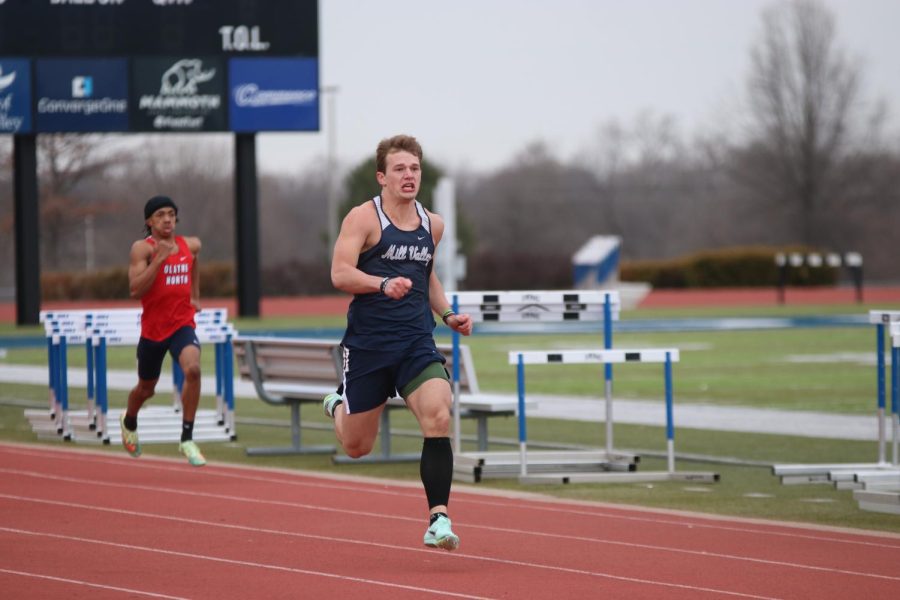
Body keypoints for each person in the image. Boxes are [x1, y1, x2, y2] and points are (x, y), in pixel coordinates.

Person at [323, 135, 473, 551]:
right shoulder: (362, 219)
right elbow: (339, 273)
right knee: (357, 446)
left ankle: (438, 518)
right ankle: (338, 405)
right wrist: (381, 283)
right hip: (369, 346)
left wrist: (447, 314)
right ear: (382, 177)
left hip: (415, 343)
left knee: (439, 415)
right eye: (400, 169)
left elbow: (428, 279)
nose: (409, 176)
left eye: (414, 169)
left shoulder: (433, 224)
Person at [121, 195, 206, 467]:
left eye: (171, 213)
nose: (167, 219)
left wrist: (194, 295)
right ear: (149, 221)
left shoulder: (190, 244)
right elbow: (135, 290)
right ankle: (129, 420)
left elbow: (194, 263)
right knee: (146, 389)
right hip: (154, 330)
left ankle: (187, 439)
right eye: (160, 215)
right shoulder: (142, 250)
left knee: (192, 370)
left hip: (182, 323)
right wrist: (158, 261)